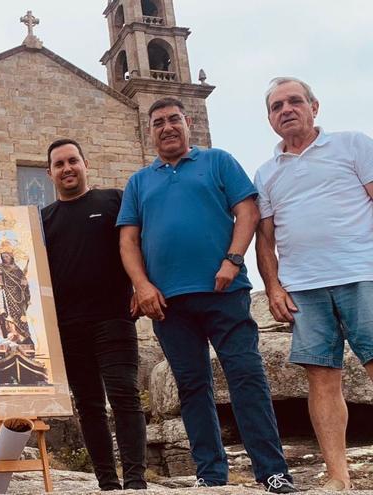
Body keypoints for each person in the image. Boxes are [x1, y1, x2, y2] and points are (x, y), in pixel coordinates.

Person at [117, 97, 296, 493]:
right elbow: (128, 241)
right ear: (150, 132)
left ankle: (273, 472)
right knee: (192, 386)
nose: (166, 127)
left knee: (247, 378)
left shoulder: (219, 161)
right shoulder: (139, 182)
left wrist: (233, 260)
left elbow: (247, 212)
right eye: (158, 122)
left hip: (225, 292)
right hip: (168, 304)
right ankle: (210, 476)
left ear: (188, 122)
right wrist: (142, 286)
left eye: (173, 119)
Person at [0, 137, 147, 490]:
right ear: (49, 173)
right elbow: (8, 246)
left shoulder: (114, 201)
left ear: (85, 164)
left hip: (114, 317)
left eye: (73, 161)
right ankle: (107, 482)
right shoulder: (41, 221)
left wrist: (144, 285)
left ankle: (135, 480)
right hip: (66, 327)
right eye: (59, 164)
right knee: (88, 405)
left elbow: (143, 241)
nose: (67, 168)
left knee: (125, 397)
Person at [255, 77, 373, 492]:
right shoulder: (266, 173)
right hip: (304, 287)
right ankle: (338, 477)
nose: (285, 110)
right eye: (276, 106)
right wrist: (273, 287)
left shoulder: (354, 144)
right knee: (322, 378)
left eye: (294, 101)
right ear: (269, 118)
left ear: (314, 106)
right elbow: (264, 238)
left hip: (362, 273)